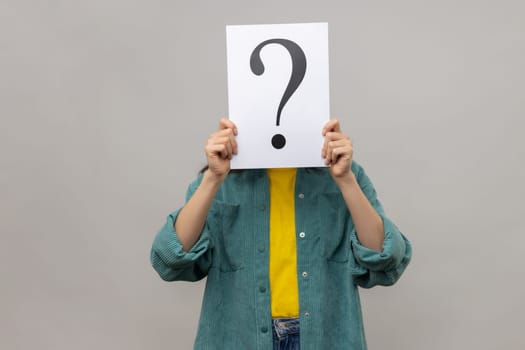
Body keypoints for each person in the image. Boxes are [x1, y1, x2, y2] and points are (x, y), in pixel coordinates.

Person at [150, 118, 412, 350]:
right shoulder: (224, 180)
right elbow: (171, 258)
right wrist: (212, 178)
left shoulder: (345, 176)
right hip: (240, 339)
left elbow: (385, 258)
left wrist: (345, 179)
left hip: (325, 338)